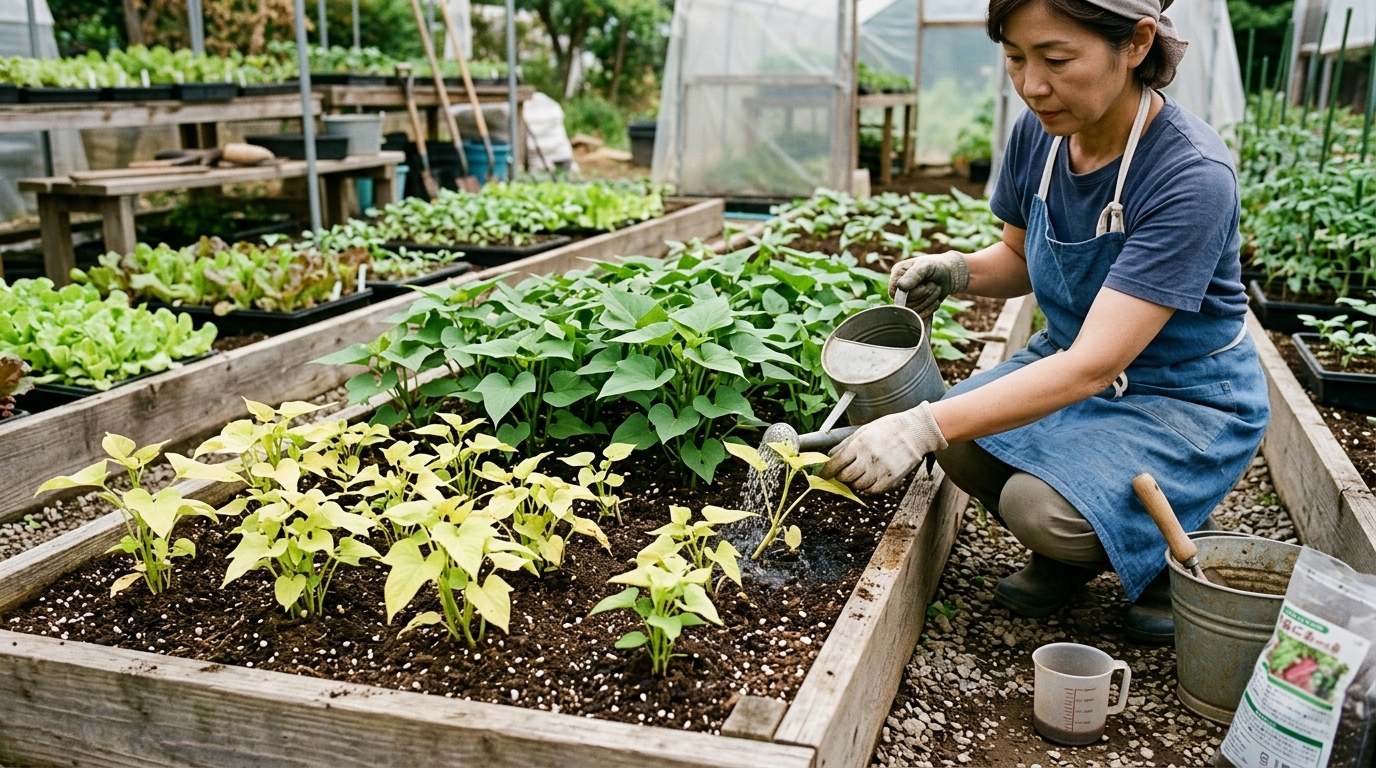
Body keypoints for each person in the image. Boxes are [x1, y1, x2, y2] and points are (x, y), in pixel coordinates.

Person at [821, 0, 1268, 643]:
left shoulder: (1190, 174)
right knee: (960, 440)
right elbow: (1016, 258)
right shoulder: (1041, 134)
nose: (1032, 85)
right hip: (1070, 360)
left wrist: (917, 426)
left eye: (1056, 59)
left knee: (1033, 505)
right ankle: (1080, 550)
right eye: (1015, 58)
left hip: (1182, 395)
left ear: (1137, 43)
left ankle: (1169, 557)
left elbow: (1094, 365)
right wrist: (955, 270)